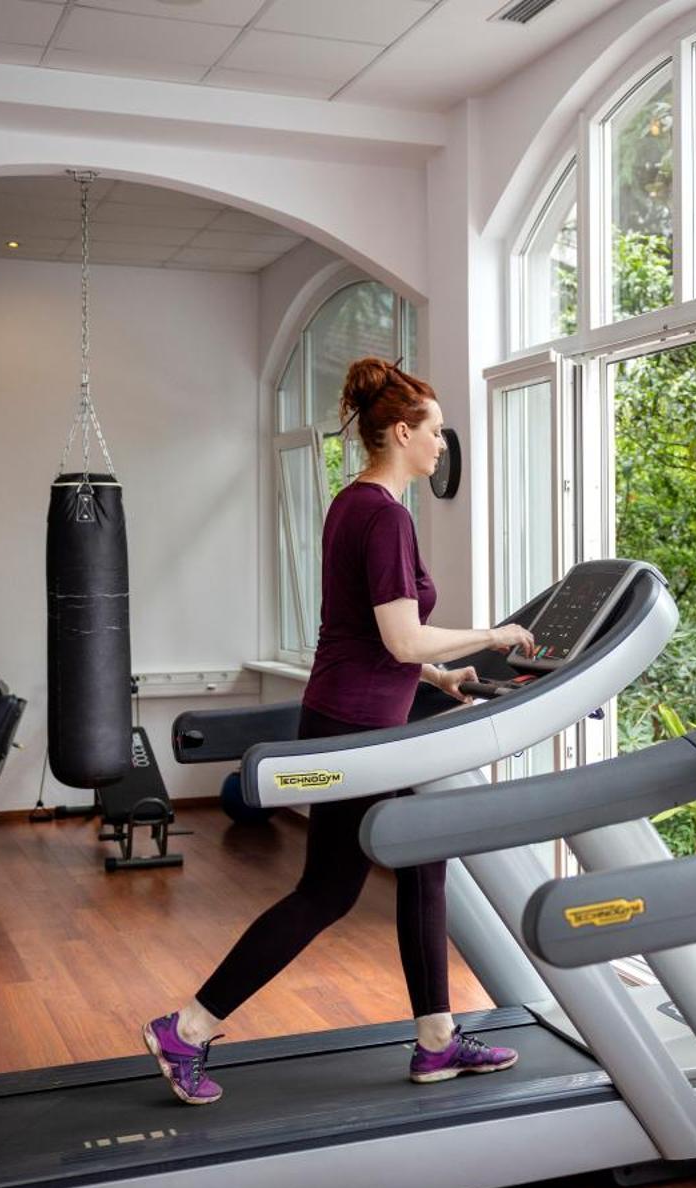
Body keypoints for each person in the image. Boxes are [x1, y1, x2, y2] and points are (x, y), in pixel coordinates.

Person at [143, 357, 537, 1106]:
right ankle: (186, 1029)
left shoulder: (352, 503)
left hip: (352, 710)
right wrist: (490, 634)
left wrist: (438, 677)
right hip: (358, 726)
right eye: (436, 431)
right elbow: (399, 637)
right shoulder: (386, 516)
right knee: (328, 891)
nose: (442, 445)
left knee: (420, 862)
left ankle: (435, 1040)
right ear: (400, 431)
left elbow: (370, 636)